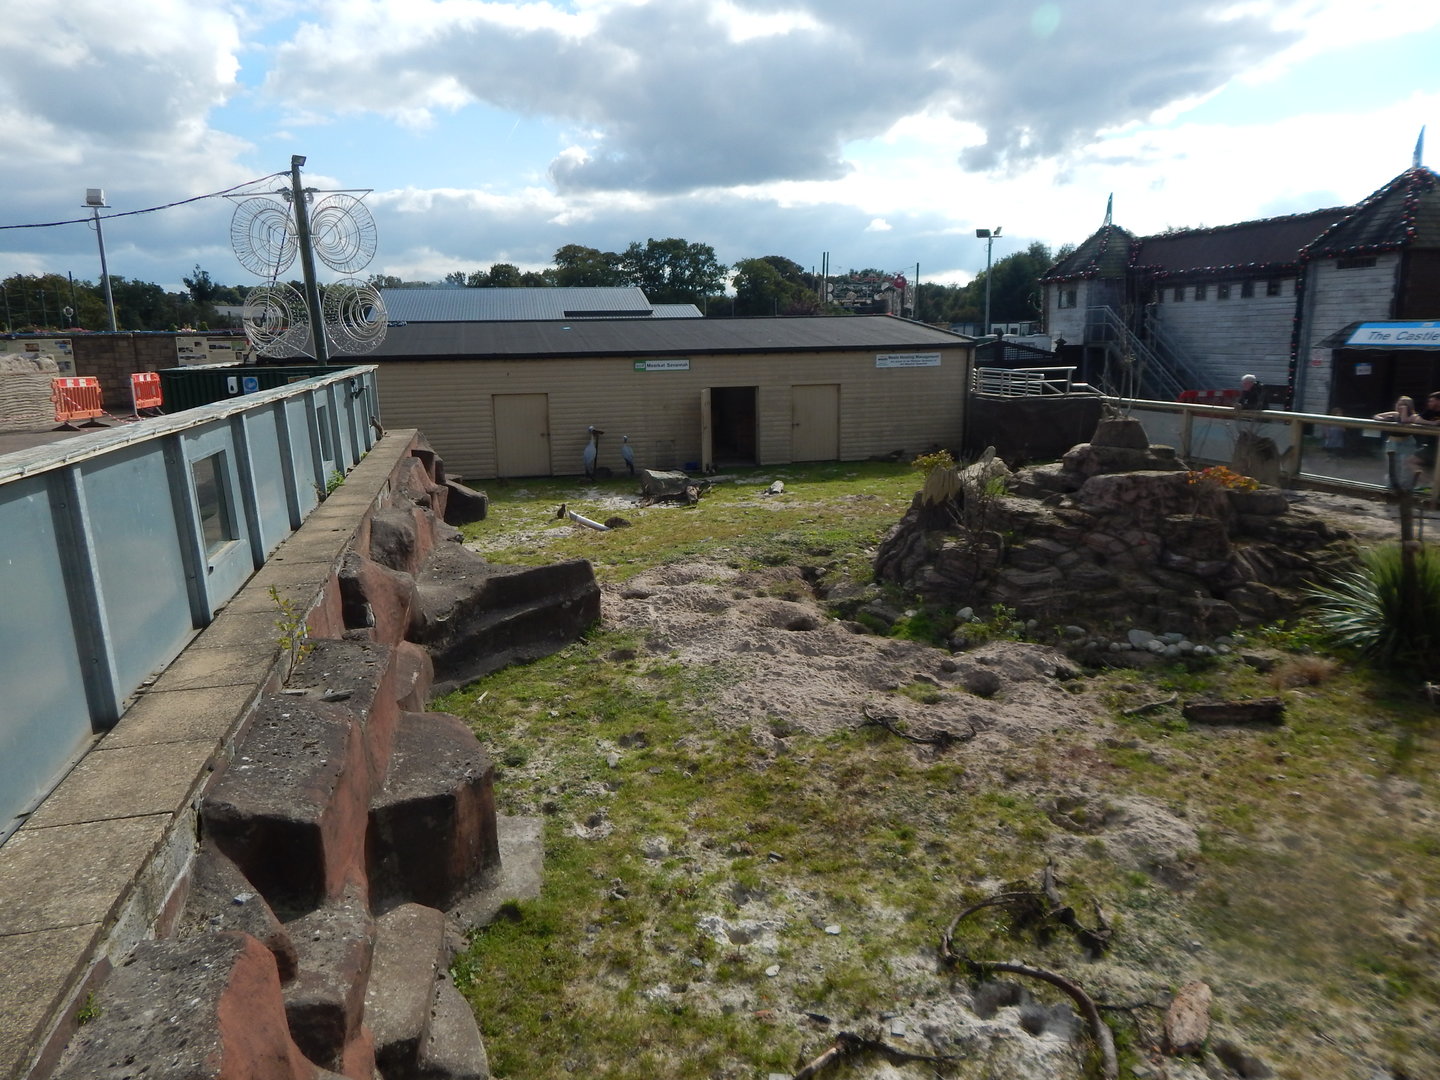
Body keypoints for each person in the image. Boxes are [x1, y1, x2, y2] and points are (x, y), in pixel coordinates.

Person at [1374, 395, 1420, 489]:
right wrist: (1383, 419)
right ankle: (1391, 487)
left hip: (1406, 443)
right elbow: (1376, 416)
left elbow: (1403, 421)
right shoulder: (1395, 414)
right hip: (1392, 442)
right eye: (1398, 404)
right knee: (1392, 466)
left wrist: (1404, 411)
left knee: (1406, 467)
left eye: (1403, 405)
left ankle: (1405, 488)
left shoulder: (1413, 416)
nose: (1399, 406)